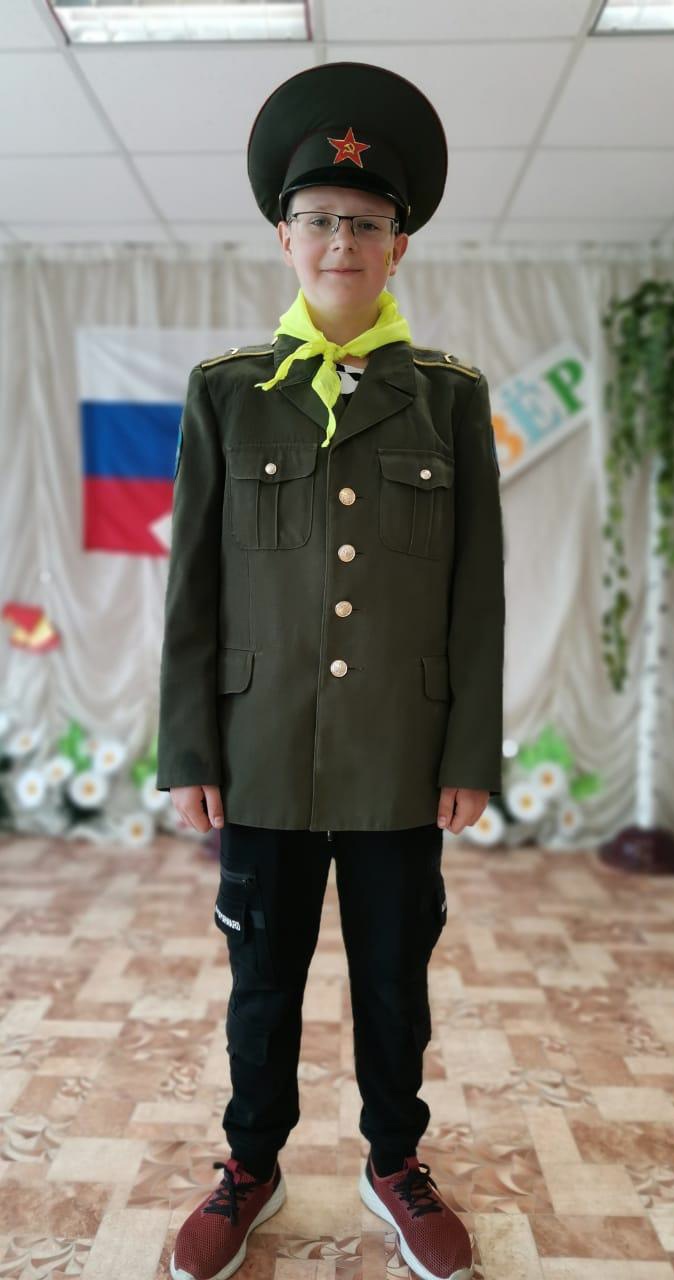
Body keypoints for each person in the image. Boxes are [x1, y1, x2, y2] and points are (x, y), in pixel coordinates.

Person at [156, 61, 505, 1280]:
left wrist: (468, 752)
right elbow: (192, 588)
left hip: (401, 758)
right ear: (284, 237)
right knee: (261, 980)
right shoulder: (227, 395)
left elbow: (475, 592)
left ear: (397, 245)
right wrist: (188, 750)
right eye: (318, 220)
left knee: (394, 982)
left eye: (364, 223)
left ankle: (393, 1158)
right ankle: (249, 1163)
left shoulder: (447, 401)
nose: (340, 242)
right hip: (258, 755)